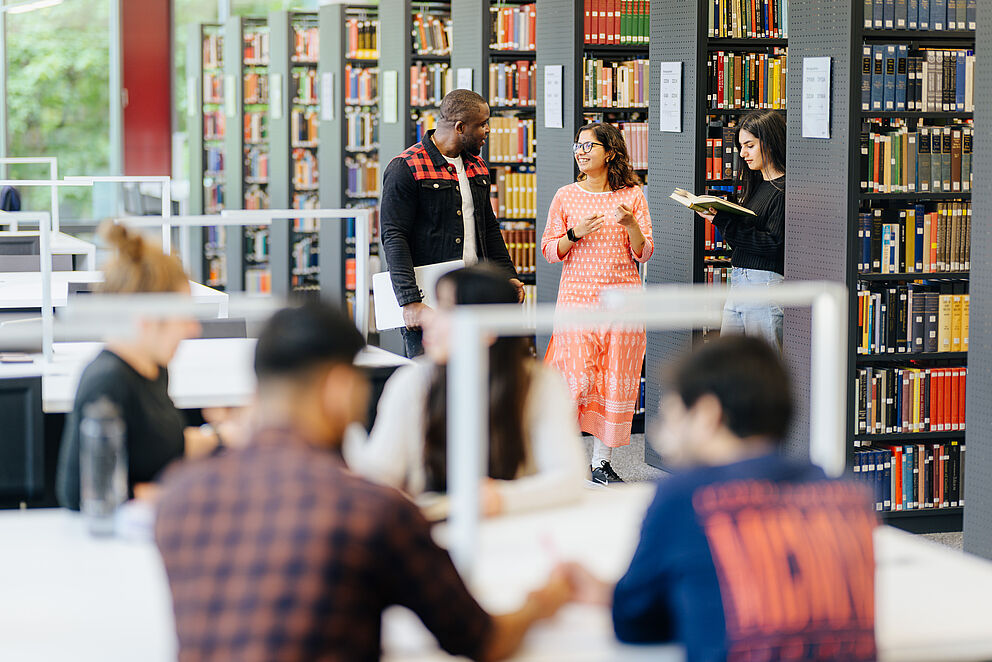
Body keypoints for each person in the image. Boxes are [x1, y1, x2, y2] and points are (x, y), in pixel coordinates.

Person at [154, 301, 572, 661]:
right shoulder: (371, 512)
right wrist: (543, 601)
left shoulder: (179, 496)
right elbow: (483, 639)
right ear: (337, 389)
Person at [560, 336, 878, 661]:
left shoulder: (684, 498)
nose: (662, 433)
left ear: (707, 414)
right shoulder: (848, 493)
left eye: (671, 415)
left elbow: (634, 624)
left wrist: (617, 596)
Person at [344, 265, 586, 517]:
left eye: (446, 309)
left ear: (488, 329)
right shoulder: (414, 382)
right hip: (436, 534)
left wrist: (499, 499)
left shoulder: (539, 383)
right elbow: (379, 475)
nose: (429, 318)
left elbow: (569, 478)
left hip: (517, 532)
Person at [56, 223, 227, 510]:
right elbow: (83, 495)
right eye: (184, 317)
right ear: (145, 318)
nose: (193, 329)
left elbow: (159, 444)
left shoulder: (155, 368)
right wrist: (184, 496)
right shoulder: (107, 382)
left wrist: (224, 437)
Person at [540, 122, 654, 485]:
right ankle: (563, 460)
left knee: (614, 378)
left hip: (622, 303)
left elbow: (644, 251)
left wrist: (632, 224)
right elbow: (548, 251)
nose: (581, 151)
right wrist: (574, 234)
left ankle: (600, 463)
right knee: (574, 380)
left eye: (589, 146)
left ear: (611, 152)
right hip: (577, 302)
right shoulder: (565, 196)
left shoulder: (633, 195)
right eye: (579, 146)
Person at [381, 88, 523, 358]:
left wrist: (508, 276)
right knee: (433, 383)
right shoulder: (406, 167)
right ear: (460, 127)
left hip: (475, 294)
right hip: (431, 301)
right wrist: (410, 300)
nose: (487, 131)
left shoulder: (477, 166)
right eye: (482, 125)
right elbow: (394, 236)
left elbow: (489, 227)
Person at [696, 109, 786, 348]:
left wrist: (722, 221)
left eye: (750, 145)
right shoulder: (757, 186)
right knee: (729, 365)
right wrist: (722, 216)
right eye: (741, 147)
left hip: (764, 286)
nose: (743, 154)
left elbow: (773, 246)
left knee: (765, 369)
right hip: (739, 281)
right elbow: (743, 241)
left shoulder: (784, 190)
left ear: (769, 142)